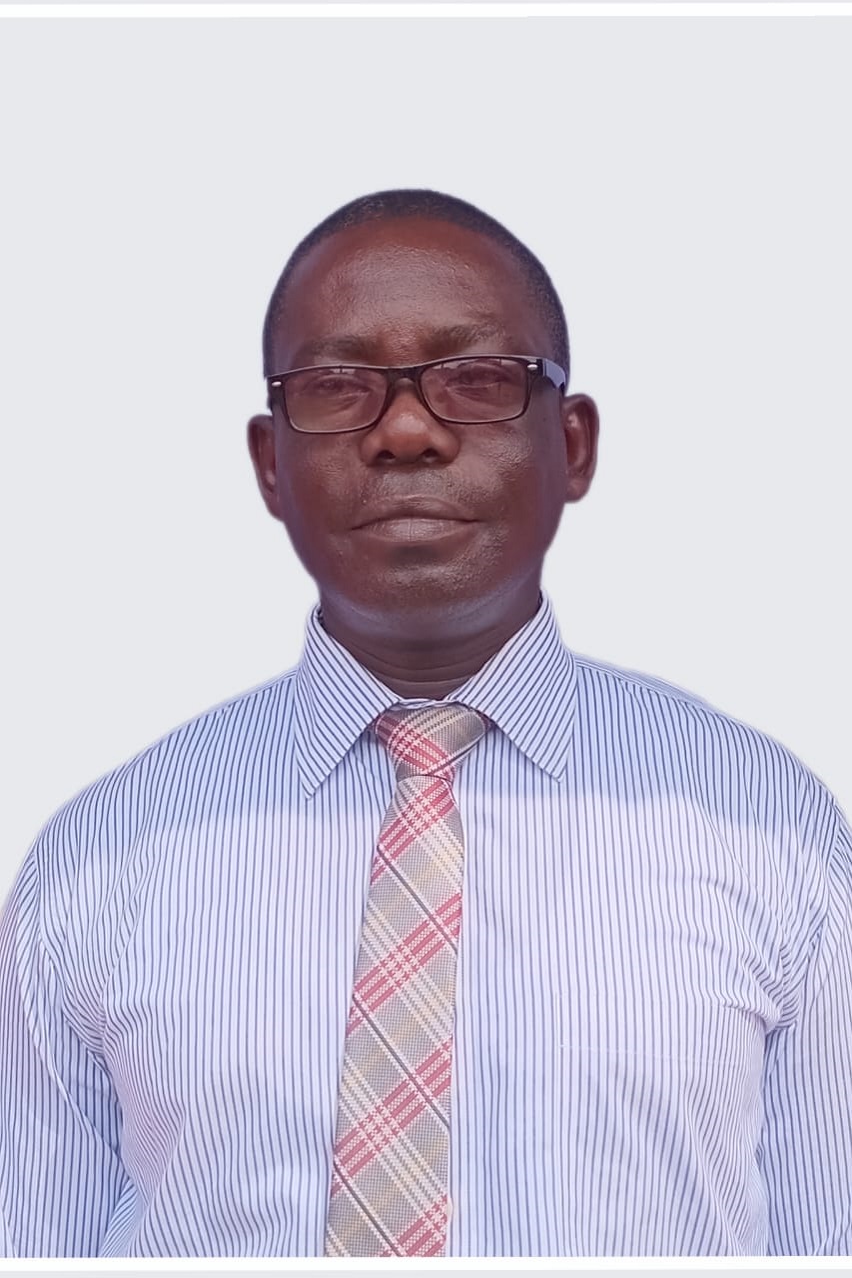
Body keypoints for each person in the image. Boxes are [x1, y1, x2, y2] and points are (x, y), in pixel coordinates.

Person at [1, 189, 850, 1259]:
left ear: (574, 444)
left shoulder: (770, 831)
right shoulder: (99, 860)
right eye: (337, 387)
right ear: (269, 463)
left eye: (478, 378)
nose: (405, 431)